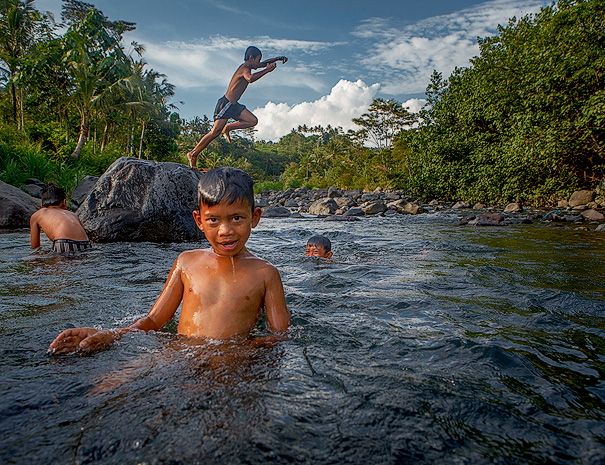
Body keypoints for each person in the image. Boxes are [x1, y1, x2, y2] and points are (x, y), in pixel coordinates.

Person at [48, 167, 291, 354]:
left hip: (231, 358)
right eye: (213, 220)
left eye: (237, 218)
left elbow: (281, 335)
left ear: (255, 217)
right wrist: (113, 334)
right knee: (113, 385)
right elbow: (155, 319)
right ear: (198, 221)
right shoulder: (186, 262)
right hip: (178, 353)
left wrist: (236, 351)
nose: (225, 230)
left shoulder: (265, 273)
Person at [187, 46, 288, 170]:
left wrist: (277, 59)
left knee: (252, 121)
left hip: (234, 105)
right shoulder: (244, 68)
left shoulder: (250, 66)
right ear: (251, 58)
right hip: (226, 104)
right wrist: (267, 71)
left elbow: (262, 64)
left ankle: (228, 127)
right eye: (258, 60)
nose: (259, 63)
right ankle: (193, 154)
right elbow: (250, 79)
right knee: (214, 132)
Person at [30, 184, 91, 252]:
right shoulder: (73, 215)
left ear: (42, 205)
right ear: (64, 202)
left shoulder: (38, 214)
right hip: (86, 244)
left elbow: (35, 247)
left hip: (63, 243)